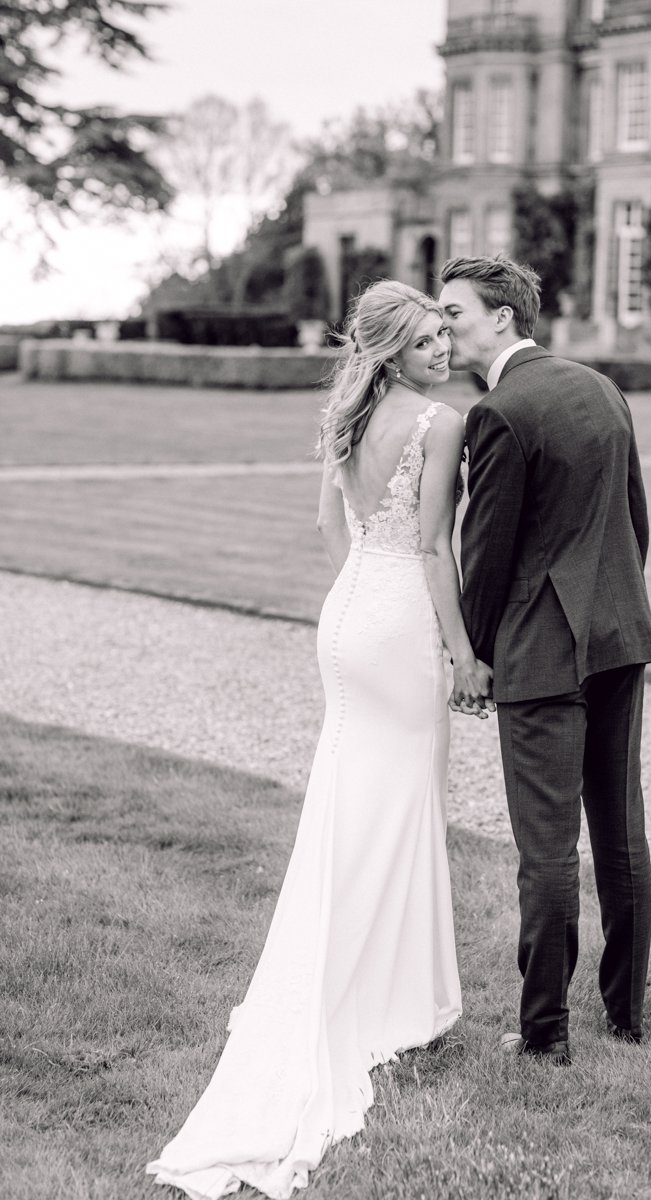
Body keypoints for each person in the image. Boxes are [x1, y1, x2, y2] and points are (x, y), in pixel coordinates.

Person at [146, 281, 490, 1200]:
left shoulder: (348, 413)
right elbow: (431, 551)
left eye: (441, 339)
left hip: (345, 620)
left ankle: (380, 982)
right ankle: (390, 997)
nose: (440, 353)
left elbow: (331, 525)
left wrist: (361, 594)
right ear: (390, 349)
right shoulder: (442, 423)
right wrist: (461, 652)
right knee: (402, 803)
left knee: (351, 803)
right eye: (422, 343)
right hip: (398, 625)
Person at [440, 255, 651, 1066]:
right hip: (619, 634)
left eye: (455, 311)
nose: (444, 325)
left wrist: (475, 656)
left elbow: (485, 556)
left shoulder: (499, 411)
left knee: (545, 850)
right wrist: (615, 607)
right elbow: (636, 525)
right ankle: (627, 1015)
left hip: (541, 653)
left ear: (503, 317)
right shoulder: (602, 388)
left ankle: (543, 1035)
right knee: (621, 833)